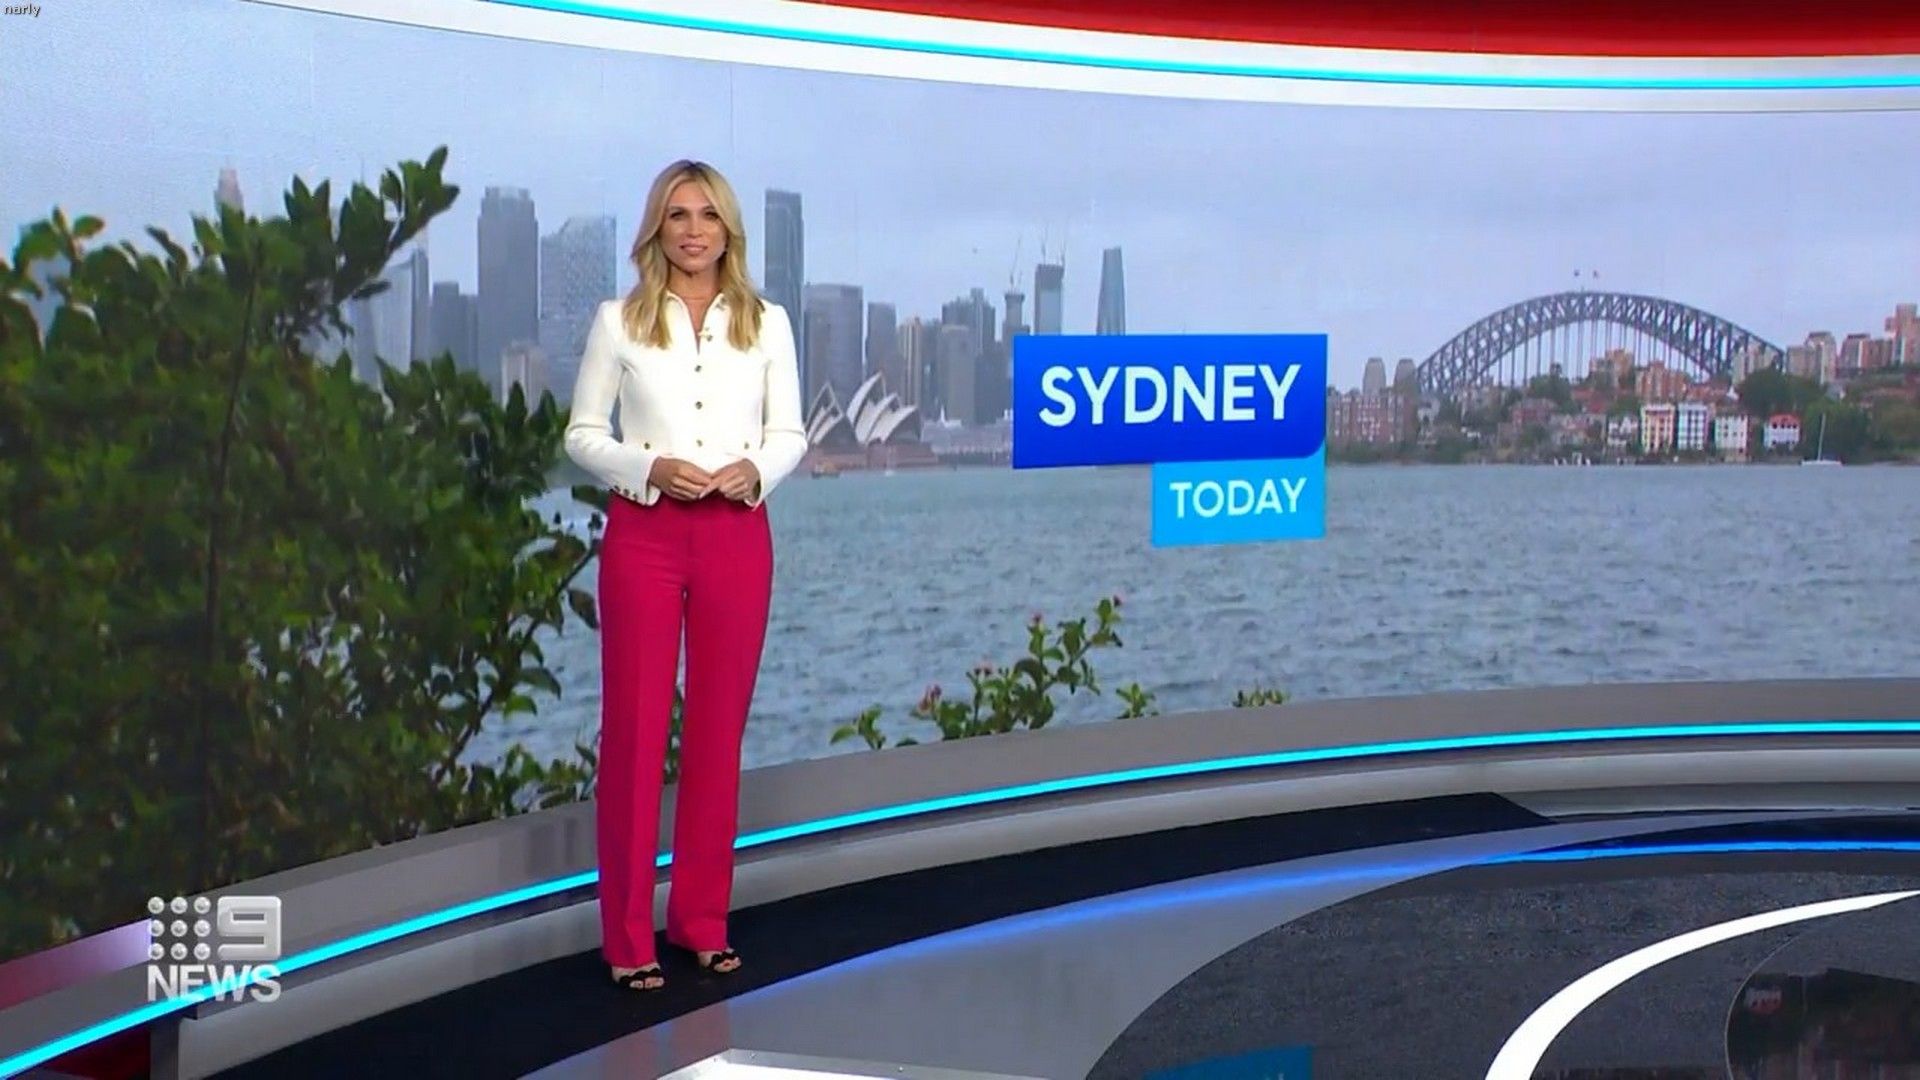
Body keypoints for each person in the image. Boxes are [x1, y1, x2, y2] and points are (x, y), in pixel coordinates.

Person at [564, 159, 806, 992]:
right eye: (677, 215)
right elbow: (582, 434)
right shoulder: (619, 321)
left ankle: (701, 920)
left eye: (707, 215)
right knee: (634, 733)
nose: (694, 230)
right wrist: (650, 467)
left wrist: (754, 470)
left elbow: (791, 433)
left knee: (715, 735)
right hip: (646, 535)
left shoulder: (766, 323)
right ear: (656, 229)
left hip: (737, 535)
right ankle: (628, 938)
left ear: (728, 230)